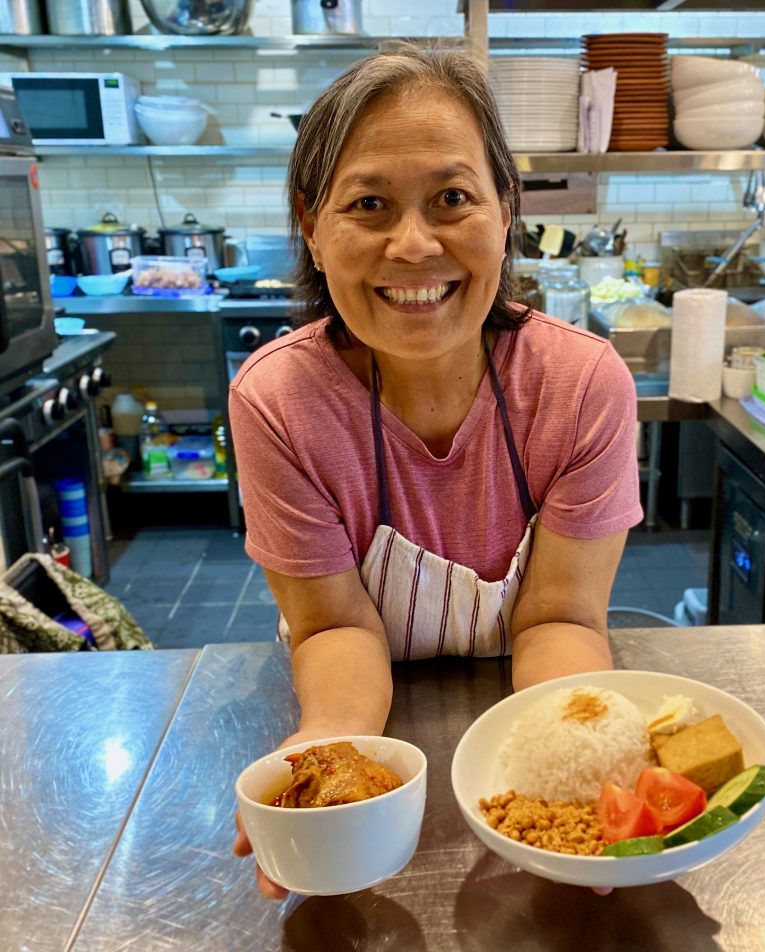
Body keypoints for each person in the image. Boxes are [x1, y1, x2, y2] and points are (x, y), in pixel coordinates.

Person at [229, 47, 642, 899]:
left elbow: (559, 615)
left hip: (520, 716)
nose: (414, 246)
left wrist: (575, 782)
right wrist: (330, 760)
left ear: (504, 209)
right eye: (369, 204)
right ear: (311, 222)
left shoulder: (578, 384)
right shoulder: (278, 400)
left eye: (453, 199)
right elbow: (335, 628)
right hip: (369, 697)